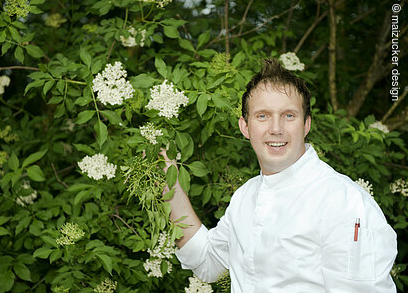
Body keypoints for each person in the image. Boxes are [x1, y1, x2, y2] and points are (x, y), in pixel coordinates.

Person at [162, 59, 397, 292]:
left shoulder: (343, 202)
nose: (276, 128)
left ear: (306, 125)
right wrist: (167, 181)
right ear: (245, 127)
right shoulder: (246, 197)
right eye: (263, 116)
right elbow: (207, 262)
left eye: (288, 116)